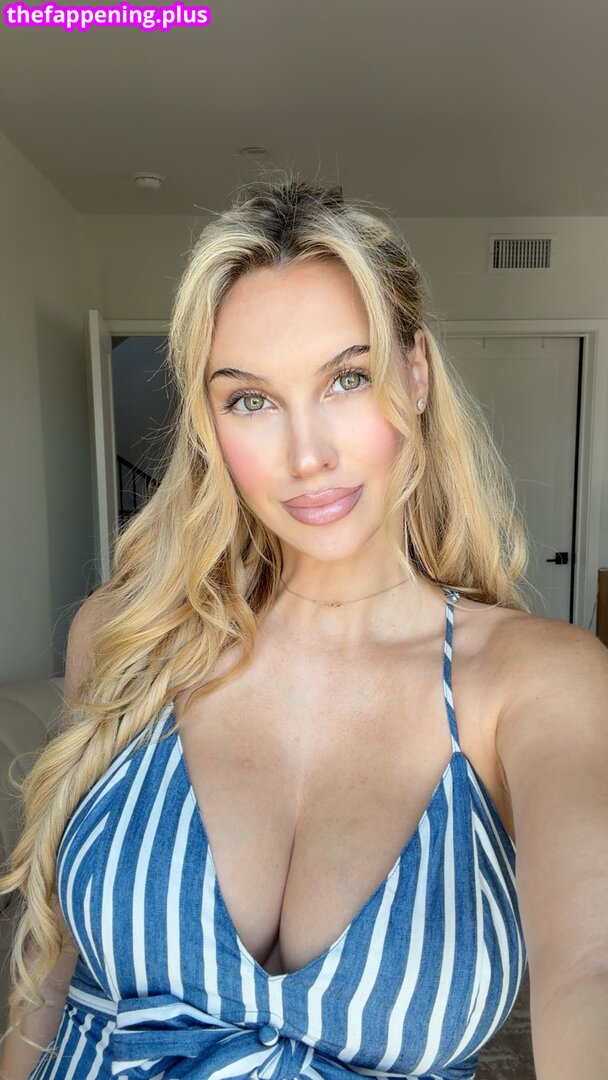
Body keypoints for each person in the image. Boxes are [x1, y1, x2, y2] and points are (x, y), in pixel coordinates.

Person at [1, 173, 607, 1080]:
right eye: (250, 399)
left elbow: (590, 970)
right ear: (210, 422)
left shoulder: (534, 682)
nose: (307, 453)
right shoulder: (128, 640)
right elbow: (48, 970)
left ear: (416, 373)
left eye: (347, 379)